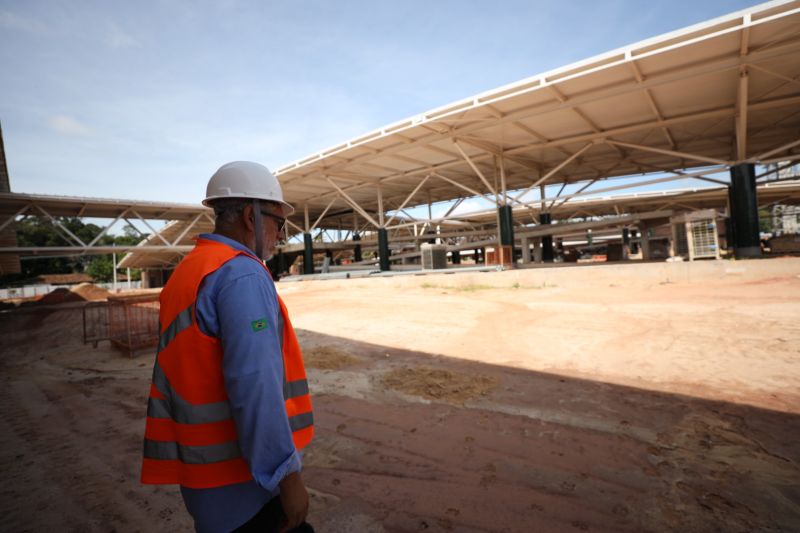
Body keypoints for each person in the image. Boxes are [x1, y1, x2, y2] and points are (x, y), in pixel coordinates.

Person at [141, 161, 314, 532]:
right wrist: (287, 476)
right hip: (245, 485)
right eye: (279, 223)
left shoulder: (190, 270)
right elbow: (255, 386)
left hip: (203, 480)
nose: (281, 236)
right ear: (252, 216)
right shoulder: (242, 274)